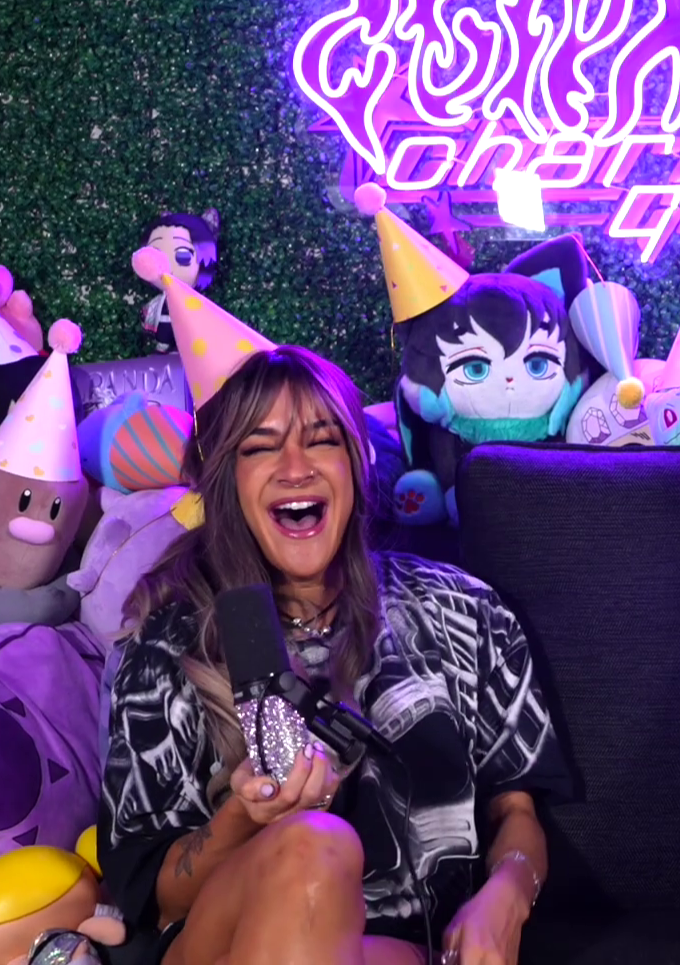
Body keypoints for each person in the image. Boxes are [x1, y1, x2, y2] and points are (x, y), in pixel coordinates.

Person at [98, 346, 571, 965]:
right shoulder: (167, 646)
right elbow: (157, 899)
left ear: (355, 464)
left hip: (405, 950)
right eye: (261, 448)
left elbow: (517, 809)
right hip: (221, 943)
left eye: (322, 441)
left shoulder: (465, 610)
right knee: (315, 848)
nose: (296, 469)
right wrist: (245, 815)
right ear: (228, 481)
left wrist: (507, 892)